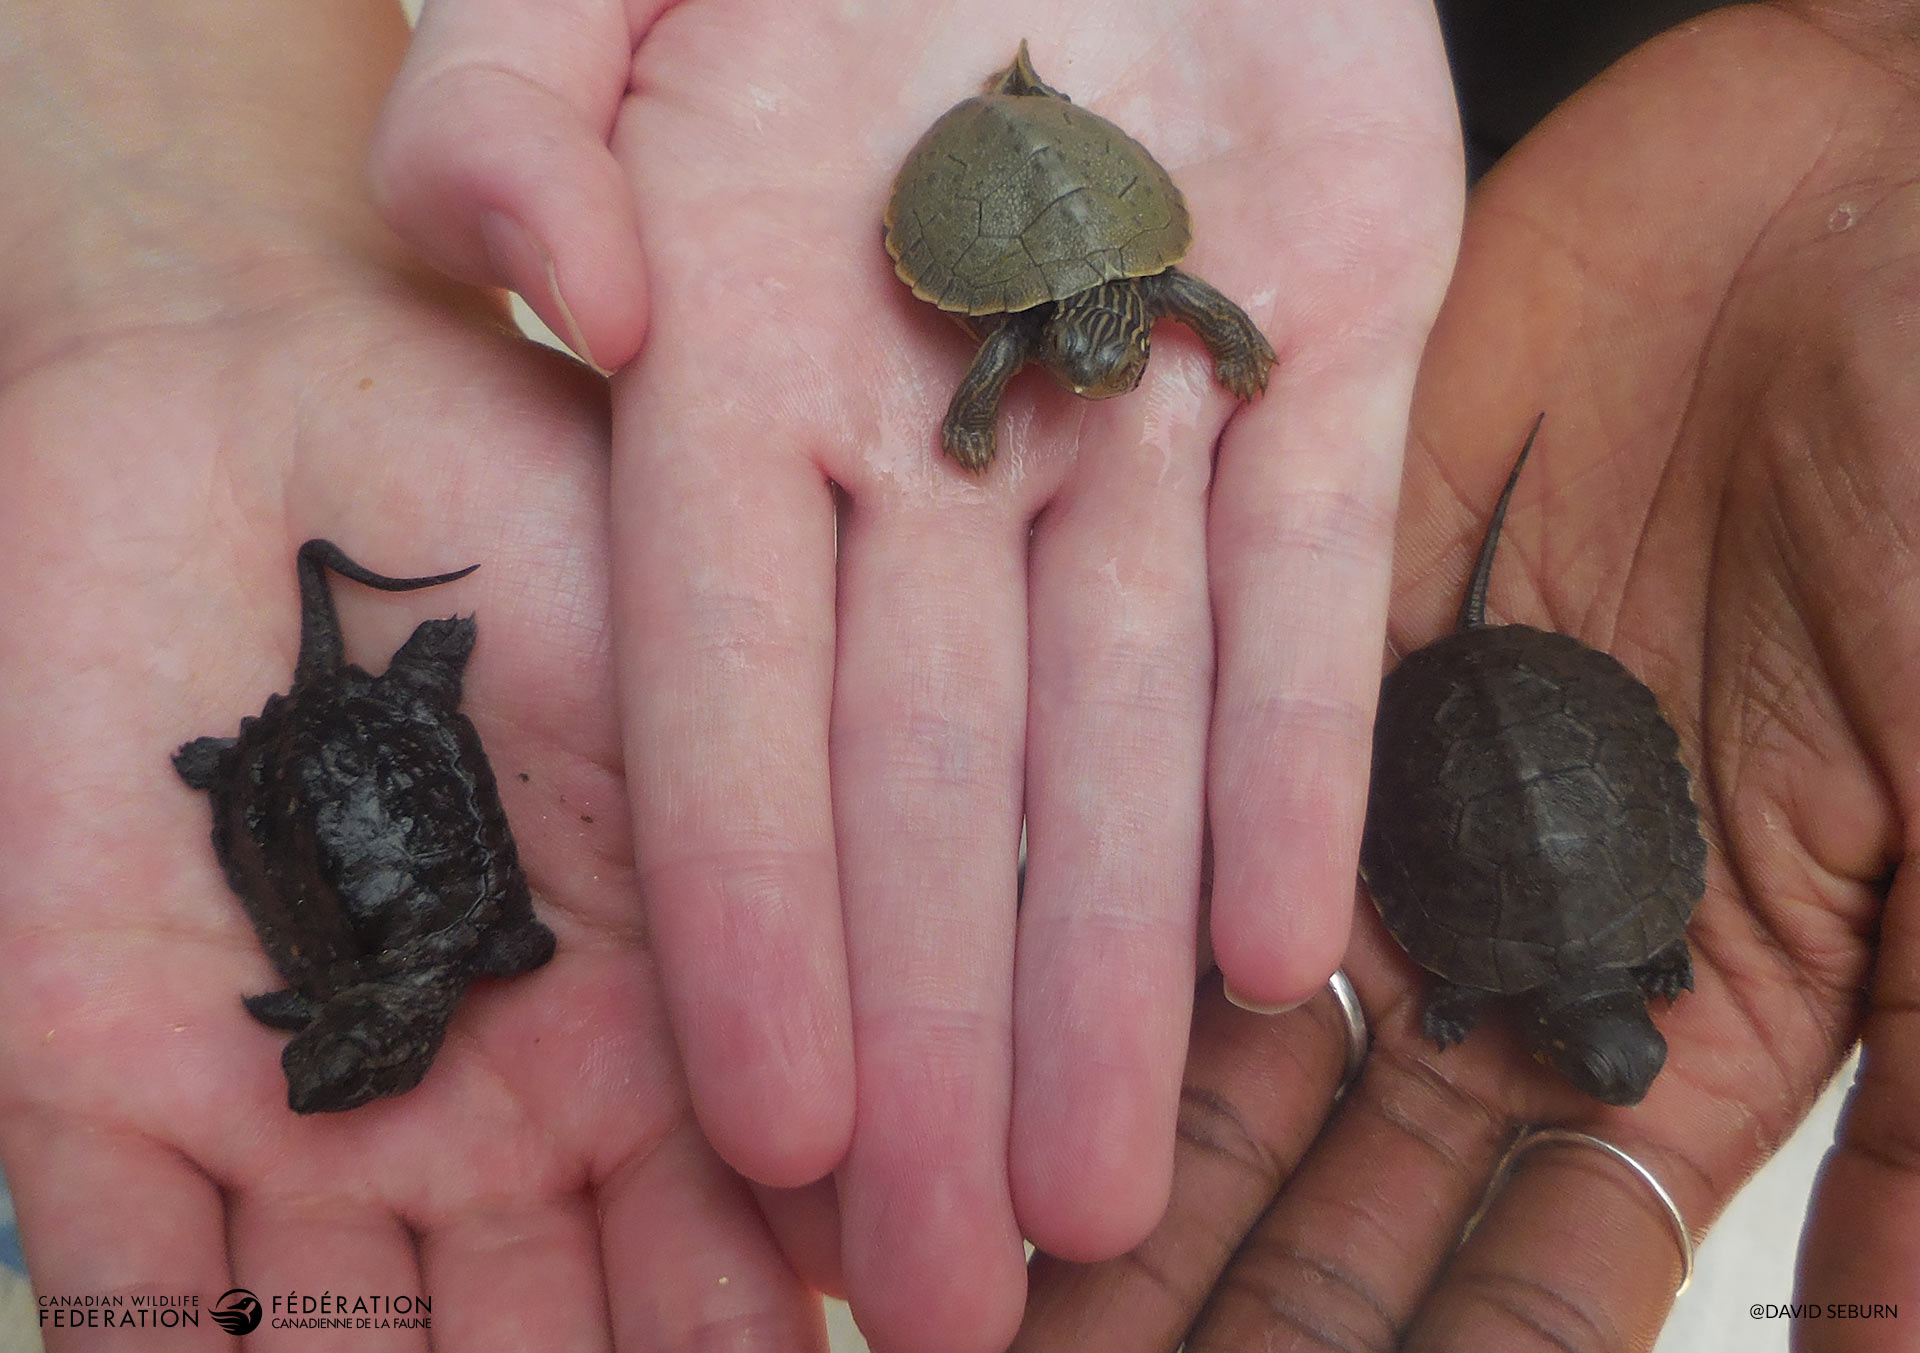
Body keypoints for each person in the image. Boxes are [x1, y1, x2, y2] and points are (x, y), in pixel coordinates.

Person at [367, 2, 1465, 1346]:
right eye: (1097, 351)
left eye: (1117, 348)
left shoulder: (1153, 291)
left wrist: (1228, 340)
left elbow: (1176, 296)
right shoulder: (1025, 332)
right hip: (993, 178)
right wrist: (968, 415)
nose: (1107, 366)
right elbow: (1006, 348)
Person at [1014, 3, 1920, 1349]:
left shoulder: (1625, 924)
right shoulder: (1621, 918)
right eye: (1618, 1059)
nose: (1622, 1072)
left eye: (1614, 1060)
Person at [0, 2, 829, 1347]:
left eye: (319, 1058)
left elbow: (504, 934)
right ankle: (329, 717)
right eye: (334, 1063)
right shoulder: (470, 950)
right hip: (347, 747)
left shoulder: (449, 958)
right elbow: (514, 933)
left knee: (403, 719)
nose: (314, 1068)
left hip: (343, 748)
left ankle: (323, 720)